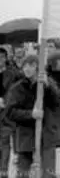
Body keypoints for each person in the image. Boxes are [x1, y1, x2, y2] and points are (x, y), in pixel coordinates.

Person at [5, 55, 60, 178]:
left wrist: (48, 87)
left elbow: (57, 103)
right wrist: (31, 114)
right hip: (25, 135)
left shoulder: (47, 84)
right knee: (23, 173)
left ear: (38, 67)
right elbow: (9, 112)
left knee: (48, 173)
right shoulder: (17, 88)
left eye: (31, 65)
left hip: (46, 134)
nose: (27, 69)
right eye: (25, 66)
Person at [0, 47, 21, 177]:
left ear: (6, 58)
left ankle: (3, 172)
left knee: (5, 143)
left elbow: (17, 89)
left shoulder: (12, 73)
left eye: (2, 57)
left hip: (6, 114)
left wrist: (6, 101)